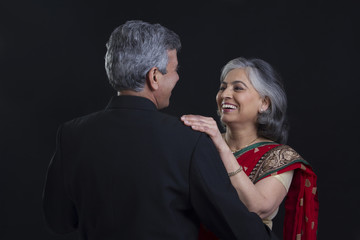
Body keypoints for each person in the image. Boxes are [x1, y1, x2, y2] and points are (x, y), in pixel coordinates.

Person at [42, 21, 278, 240]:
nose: (177, 77)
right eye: (174, 69)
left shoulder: (71, 135)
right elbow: (235, 227)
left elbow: (59, 221)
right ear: (154, 77)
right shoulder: (190, 141)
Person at [181, 57, 319, 240]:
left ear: (264, 103)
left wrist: (221, 147)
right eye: (223, 88)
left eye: (237, 88)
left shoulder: (280, 157)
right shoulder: (201, 144)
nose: (225, 94)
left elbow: (256, 209)